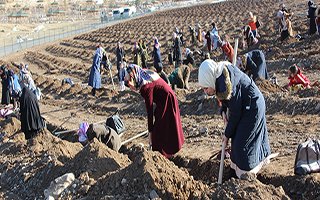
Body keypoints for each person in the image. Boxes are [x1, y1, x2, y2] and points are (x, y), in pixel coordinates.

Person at [198, 60, 271, 178]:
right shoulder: (218, 79)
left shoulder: (226, 85)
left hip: (252, 107)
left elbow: (235, 114)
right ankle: (236, 172)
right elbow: (227, 104)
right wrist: (223, 113)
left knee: (242, 145)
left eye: (206, 88)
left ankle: (247, 173)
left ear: (210, 80)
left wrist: (226, 135)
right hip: (243, 106)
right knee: (236, 144)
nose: (205, 92)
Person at [124, 64, 184, 158]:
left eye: (129, 83)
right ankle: (163, 153)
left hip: (167, 100)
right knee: (161, 125)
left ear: (134, 77)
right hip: (162, 100)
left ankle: (162, 155)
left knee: (159, 129)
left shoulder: (146, 87)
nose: (130, 87)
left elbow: (150, 111)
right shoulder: (142, 74)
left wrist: (150, 132)